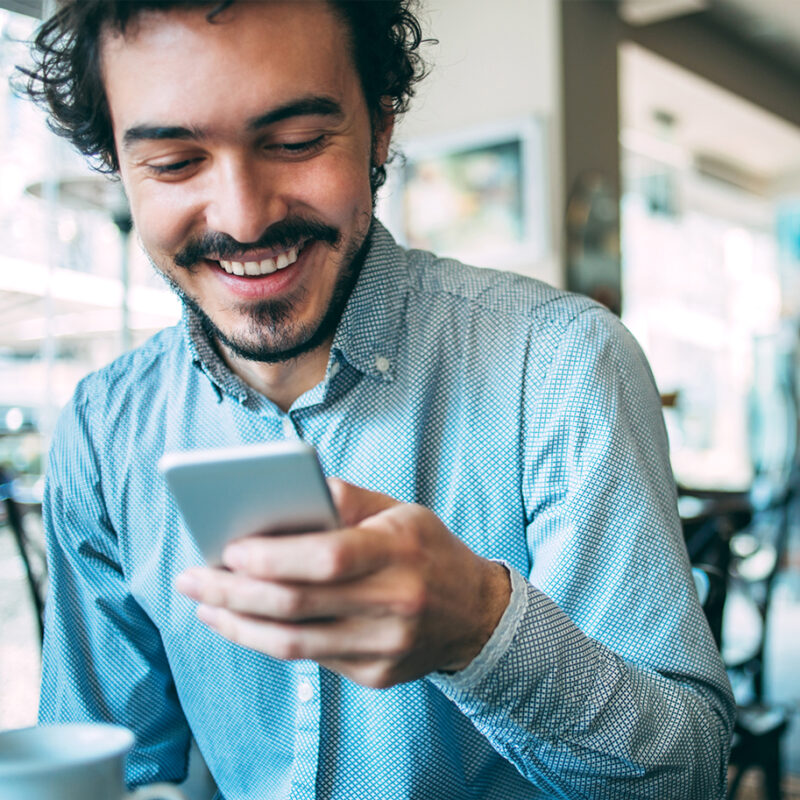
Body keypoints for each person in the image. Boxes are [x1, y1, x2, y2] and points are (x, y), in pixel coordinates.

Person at [20, 1, 734, 798]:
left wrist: (481, 632)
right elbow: (107, 771)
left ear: (381, 128)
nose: (244, 216)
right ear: (118, 168)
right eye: (175, 163)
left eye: (294, 144)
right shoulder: (103, 429)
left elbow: (684, 777)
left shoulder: (562, 365)